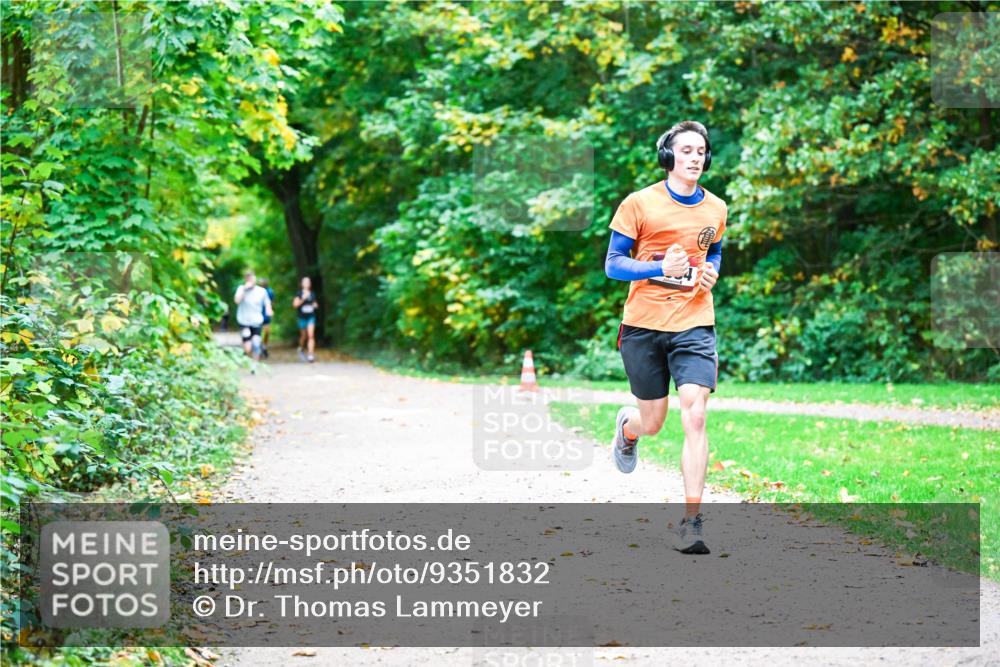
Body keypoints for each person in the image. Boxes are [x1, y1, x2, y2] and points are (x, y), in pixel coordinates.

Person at [604, 120, 727, 555]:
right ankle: (629, 428)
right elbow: (614, 265)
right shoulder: (639, 204)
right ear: (668, 157)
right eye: (687, 150)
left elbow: (712, 250)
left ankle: (692, 522)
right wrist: (659, 268)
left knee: (695, 415)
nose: (695, 157)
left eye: (701, 151)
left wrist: (711, 271)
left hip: (694, 321)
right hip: (643, 324)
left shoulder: (716, 208)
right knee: (653, 422)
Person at [234, 270, 273, 362]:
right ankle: (248, 356)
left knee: (256, 343)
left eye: (252, 278)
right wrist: (244, 290)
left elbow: (267, 303)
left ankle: (255, 364)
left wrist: (269, 310)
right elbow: (237, 301)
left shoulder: (261, 291)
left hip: (256, 321)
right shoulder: (241, 289)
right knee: (248, 347)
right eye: (248, 278)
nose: (251, 280)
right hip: (244, 321)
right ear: (245, 280)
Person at [293, 276, 318, 363]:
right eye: (305, 282)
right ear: (302, 284)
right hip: (302, 317)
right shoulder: (299, 293)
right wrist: (303, 299)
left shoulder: (312, 293)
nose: (307, 284)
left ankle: (311, 354)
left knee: (311, 335)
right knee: (304, 336)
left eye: (308, 282)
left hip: (311, 316)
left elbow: (315, 304)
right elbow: (295, 305)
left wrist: (315, 305)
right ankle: (300, 348)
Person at [259, 277, 275, 359]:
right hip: (257, 314)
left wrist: (271, 310)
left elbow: (272, 302)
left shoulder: (270, 291)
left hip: (266, 314)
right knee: (258, 332)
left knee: (267, 331)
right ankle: (259, 347)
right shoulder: (257, 291)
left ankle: (264, 346)